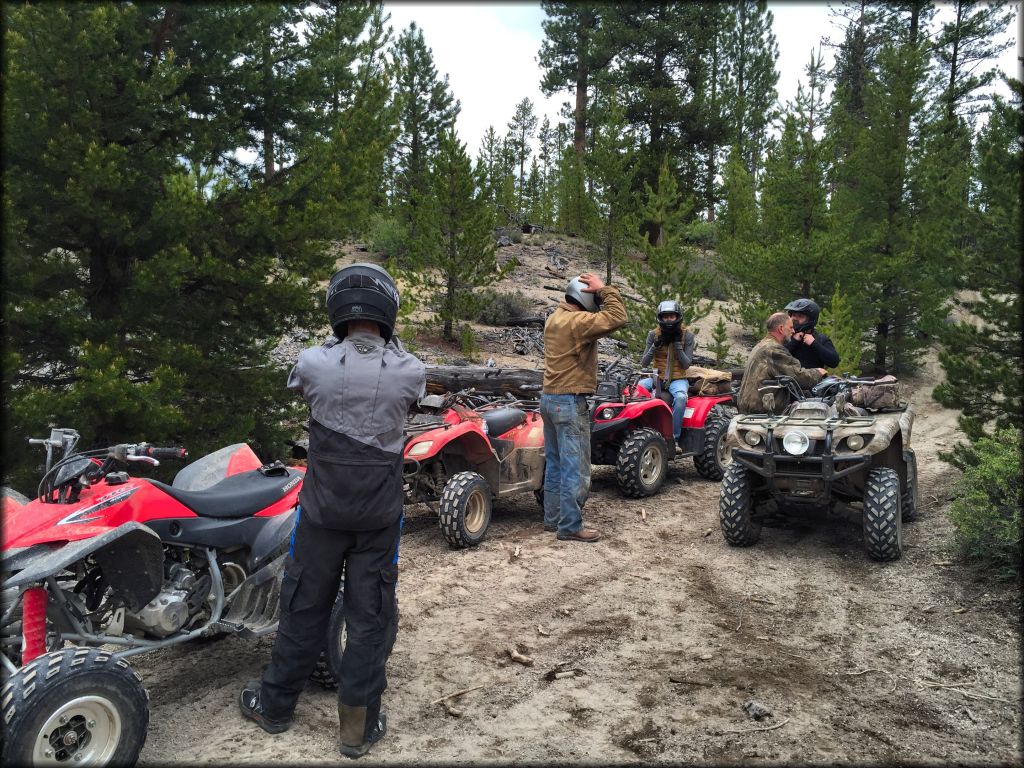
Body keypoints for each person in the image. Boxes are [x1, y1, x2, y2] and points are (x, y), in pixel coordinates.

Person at [239, 263, 425, 760]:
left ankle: (275, 708)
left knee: (303, 607)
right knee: (370, 619)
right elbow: (411, 395)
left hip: (321, 512)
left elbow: (303, 381)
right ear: (388, 311)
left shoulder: (312, 363)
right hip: (378, 516)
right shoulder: (409, 370)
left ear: (337, 309)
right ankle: (355, 732)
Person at [541, 272, 627, 542]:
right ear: (583, 298)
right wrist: (605, 290)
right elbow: (618, 317)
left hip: (549, 398)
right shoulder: (577, 322)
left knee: (555, 464)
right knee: (575, 466)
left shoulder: (555, 318)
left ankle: (552, 519)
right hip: (568, 400)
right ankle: (569, 526)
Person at [737, 311, 827, 414]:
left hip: (752, 406)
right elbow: (797, 376)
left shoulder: (763, 344)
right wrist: (818, 372)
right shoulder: (774, 350)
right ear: (780, 329)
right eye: (790, 327)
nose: (793, 331)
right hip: (762, 410)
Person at [639, 299, 696, 447]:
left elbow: (686, 364)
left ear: (677, 317)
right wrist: (654, 346)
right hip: (657, 376)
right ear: (660, 317)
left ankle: (673, 438)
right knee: (637, 389)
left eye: (672, 316)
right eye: (666, 316)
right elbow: (644, 363)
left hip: (678, 378)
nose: (668, 319)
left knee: (681, 398)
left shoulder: (687, 335)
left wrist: (678, 345)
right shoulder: (653, 334)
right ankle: (640, 430)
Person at [784, 297, 840, 370]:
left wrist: (814, 343)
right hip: (789, 379)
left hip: (815, 380)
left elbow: (834, 362)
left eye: (800, 316)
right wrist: (794, 341)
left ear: (810, 319)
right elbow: (776, 357)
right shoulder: (785, 336)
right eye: (793, 315)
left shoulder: (821, 339)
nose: (795, 319)